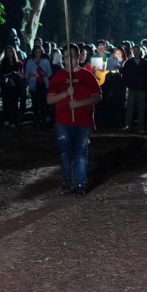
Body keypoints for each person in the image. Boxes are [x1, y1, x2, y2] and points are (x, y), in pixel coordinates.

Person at [47, 43, 102, 197]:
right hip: (63, 122)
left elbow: (97, 97)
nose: (68, 59)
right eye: (65, 57)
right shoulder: (58, 77)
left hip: (83, 122)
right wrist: (65, 93)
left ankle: (79, 185)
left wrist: (78, 104)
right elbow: (49, 100)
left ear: (78, 57)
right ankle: (67, 181)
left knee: (80, 154)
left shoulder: (87, 76)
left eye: (71, 56)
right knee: (65, 153)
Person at [121, 45, 147, 131]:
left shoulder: (145, 62)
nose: (136, 52)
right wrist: (128, 84)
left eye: (137, 50)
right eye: (134, 51)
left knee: (141, 108)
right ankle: (128, 125)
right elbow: (124, 75)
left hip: (142, 89)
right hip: (131, 89)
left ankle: (141, 126)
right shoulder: (128, 63)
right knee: (129, 107)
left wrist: (146, 86)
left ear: (140, 52)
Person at [25, 45, 53, 126]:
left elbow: (50, 73)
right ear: (34, 52)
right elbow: (26, 74)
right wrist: (31, 74)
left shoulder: (45, 61)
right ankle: (36, 120)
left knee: (44, 103)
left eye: (40, 52)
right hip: (34, 84)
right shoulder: (30, 62)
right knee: (35, 103)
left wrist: (45, 74)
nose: (38, 54)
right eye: (36, 52)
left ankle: (43, 120)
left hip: (43, 84)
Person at [0, 45, 23, 127]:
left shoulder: (18, 63)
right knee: (6, 103)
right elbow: (0, 75)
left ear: (14, 52)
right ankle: (6, 119)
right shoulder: (3, 63)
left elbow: (21, 74)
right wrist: (7, 75)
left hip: (15, 86)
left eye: (11, 51)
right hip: (6, 86)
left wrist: (15, 76)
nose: (9, 53)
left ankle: (13, 120)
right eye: (7, 52)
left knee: (14, 103)